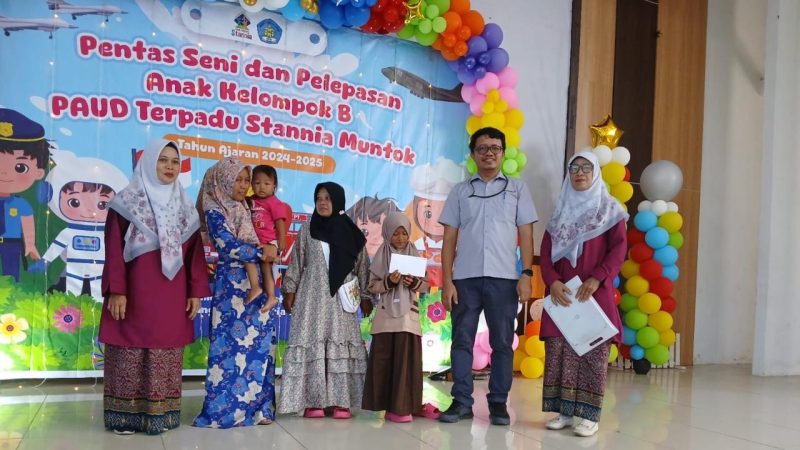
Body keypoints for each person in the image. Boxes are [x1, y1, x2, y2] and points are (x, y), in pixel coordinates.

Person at [98, 139, 210, 435]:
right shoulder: (126, 202)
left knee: (166, 350)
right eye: (163, 160)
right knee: (129, 349)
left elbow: (195, 255)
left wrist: (195, 291)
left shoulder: (185, 207)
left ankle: (162, 414)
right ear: (148, 163)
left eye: (175, 161)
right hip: (134, 291)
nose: (170, 167)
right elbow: (113, 249)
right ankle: (125, 417)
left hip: (172, 293)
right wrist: (117, 289)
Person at [438, 127, 537, 426]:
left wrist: (527, 273)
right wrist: (447, 281)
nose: (489, 153)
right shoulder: (460, 191)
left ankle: (498, 403)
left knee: (503, 343)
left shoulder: (517, 189)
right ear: (473, 155)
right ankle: (461, 401)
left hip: (504, 279)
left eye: (495, 148)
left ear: (503, 153)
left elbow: (526, 234)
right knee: (461, 341)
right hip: (465, 279)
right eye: (482, 148)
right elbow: (449, 239)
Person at [539, 150, 628, 437]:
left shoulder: (609, 210)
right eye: (574, 168)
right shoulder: (560, 213)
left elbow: (619, 249)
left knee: (591, 351)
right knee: (559, 351)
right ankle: (564, 411)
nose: (579, 173)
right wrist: (552, 281)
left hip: (593, 292)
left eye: (586, 168)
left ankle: (589, 415)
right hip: (563, 293)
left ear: (596, 173)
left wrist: (598, 277)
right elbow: (545, 253)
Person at [193, 157, 278, 428]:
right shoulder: (215, 210)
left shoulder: (246, 206)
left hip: (256, 283)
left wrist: (266, 251)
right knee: (230, 351)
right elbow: (227, 246)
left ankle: (260, 409)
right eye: (237, 180)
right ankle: (225, 411)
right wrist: (262, 252)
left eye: (245, 180)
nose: (243, 186)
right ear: (223, 180)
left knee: (259, 349)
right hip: (232, 289)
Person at [279, 182, 371, 419]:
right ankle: (314, 401)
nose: (322, 202)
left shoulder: (351, 232)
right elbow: (297, 260)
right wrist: (289, 290)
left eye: (328, 198)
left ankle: (341, 402)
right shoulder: (308, 229)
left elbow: (362, 266)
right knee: (313, 342)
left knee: (341, 342)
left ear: (338, 201)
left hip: (341, 301)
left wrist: (366, 296)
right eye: (319, 198)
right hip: (312, 298)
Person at [361, 212, 440, 422]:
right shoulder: (382, 254)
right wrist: (389, 281)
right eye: (395, 233)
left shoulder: (414, 254)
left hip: (407, 319)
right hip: (386, 318)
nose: (400, 238)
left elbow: (425, 286)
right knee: (385, 362)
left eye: (404, 233)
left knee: (405, 363)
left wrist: (413, 282)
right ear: (388, 233)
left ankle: (403, 407)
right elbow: (372, 286)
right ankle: (386, 407)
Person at [0, 108, 49, 281]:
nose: (4, 173)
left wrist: (30, 244)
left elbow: (27, 223)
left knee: (11, 272)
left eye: (20, 167)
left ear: (38, 172)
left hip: (12, 243)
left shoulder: (21, 204)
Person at [243, 164, 287, 309]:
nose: (262, 187)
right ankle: (257, 287)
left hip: (268, 242)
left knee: (266, 267)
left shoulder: (275, 203)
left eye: (267, 184)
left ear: (274, 186)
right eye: (257, 183)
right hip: (255, 241)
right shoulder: (250, 200)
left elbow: (280, 223)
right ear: (251, 184)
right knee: (248, 258)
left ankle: (271, 296)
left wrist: (281, 241)